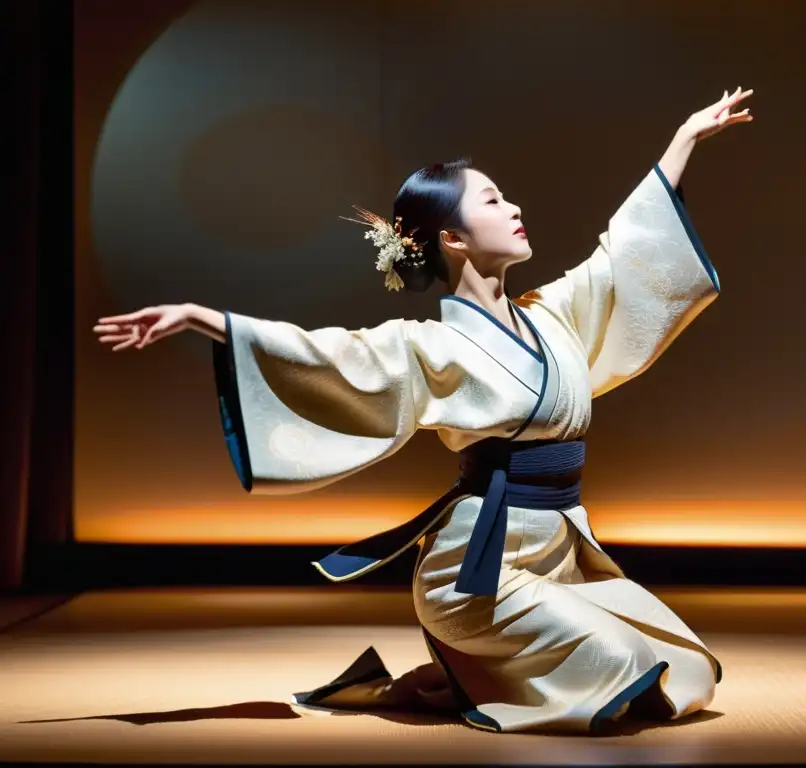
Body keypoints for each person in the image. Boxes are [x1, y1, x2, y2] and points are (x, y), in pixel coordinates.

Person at [95, 88, 753, 734]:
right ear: (454, 239)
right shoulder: (430, 345)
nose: (516, 206)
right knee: (623, 663)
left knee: (685, 669)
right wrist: (202, 318)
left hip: (558, 551)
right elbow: (325, 355)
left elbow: (621, 260)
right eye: (494, 200)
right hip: (475, 570)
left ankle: (451, 682)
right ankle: (469, 673)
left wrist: (684, 140)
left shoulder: (552, 315)